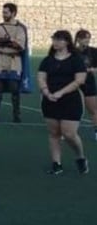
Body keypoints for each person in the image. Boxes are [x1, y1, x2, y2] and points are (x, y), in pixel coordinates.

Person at [38, 30, 89, 175]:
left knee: (69, 134)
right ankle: (56, 164)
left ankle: (80, 157)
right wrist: (46, 92)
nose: (55, 42)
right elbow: (41, 77)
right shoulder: (48, 60)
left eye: (59, 39)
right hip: (50, 100)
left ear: (67, 42)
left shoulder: (76, 60)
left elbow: (80, 80)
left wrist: (61, 92)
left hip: (70, 100)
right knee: (54, 133)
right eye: (54, 39)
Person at [0, 3, 30, 123]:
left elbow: (20, 45)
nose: (4, 14)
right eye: (3, 12)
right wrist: (8, 41)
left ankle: (16, 115)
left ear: (13, 13)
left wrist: (4, 42)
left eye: (6, 12)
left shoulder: (20, 28)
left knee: (14, 89)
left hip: (13, 62)